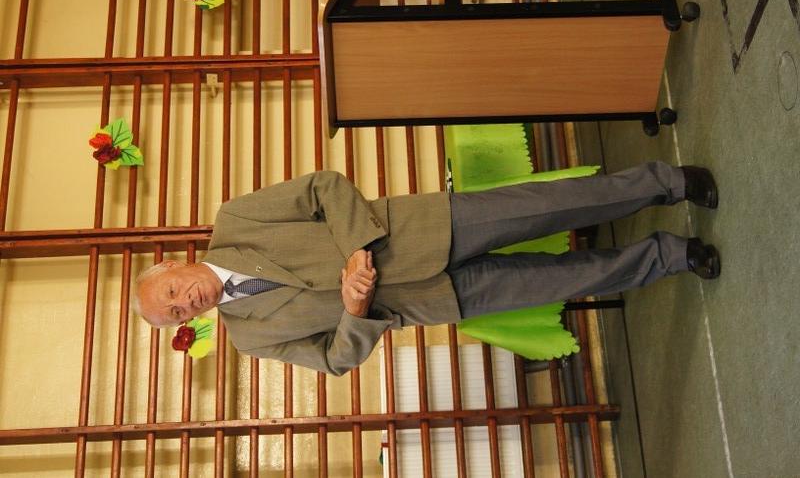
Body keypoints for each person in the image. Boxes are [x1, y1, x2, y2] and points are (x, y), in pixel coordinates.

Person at [134, 161, 720, 375]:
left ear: (172, 264)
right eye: (178, 313)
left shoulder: (236, 218)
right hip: (433, 300)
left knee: (554, 205)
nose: (187, 303)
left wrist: (357, 249)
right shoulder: (250, 339)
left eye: (174, 292)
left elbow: (323, 187)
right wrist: (355, 310)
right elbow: (335, 360)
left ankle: (668, 183)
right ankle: (672, 256)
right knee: (568, 279)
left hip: (429, 227)